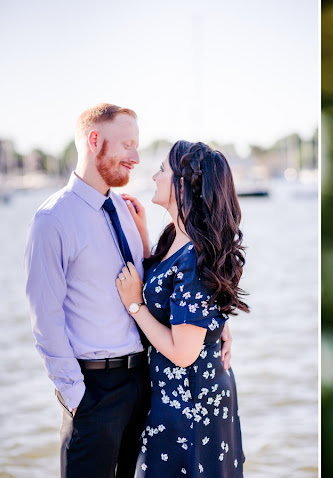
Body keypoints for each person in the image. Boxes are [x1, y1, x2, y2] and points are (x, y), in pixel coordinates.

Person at [23, 104, 232, 478]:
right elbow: (45, 317)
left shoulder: (126, 210)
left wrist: (214, 325)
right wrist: (76, 397)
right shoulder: (53, 219)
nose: (137, 158)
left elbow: (168, 284)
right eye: (128, 145)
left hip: (145, 384)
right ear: (94, 141)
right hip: (94, 390)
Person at [115, 140, 247, 477]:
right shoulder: (176, 236)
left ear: (182, 184)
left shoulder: (193, 258)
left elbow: (183, 352)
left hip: (190, 406)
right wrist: (143, 237)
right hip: (178, 399)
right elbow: (175, 298)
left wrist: (134, 305)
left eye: (162, 169)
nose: (155, 175)